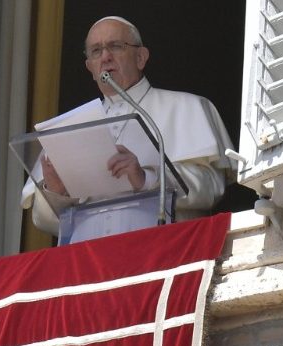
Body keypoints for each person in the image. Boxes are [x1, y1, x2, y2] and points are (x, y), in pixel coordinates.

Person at [21, 16, 234, 243]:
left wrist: (147, 179)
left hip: (161, 253)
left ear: (141, 57)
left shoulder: (187, 107)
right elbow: (43, 220)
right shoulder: (67, 128)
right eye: (95, 51)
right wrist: (57, 192)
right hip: (86, 261)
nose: (105, 57)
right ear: (90, 68)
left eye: (115, 46)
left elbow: (211, 188)